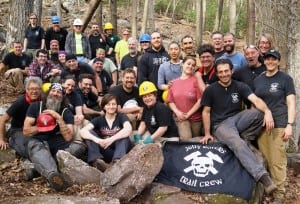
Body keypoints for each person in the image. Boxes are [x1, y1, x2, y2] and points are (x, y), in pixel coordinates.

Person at [200, 58, 277, 195]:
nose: (224, 74)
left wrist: (267, 111)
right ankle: (263, 178)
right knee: (238, 144)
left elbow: (255, 100)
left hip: (237, 119)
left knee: (258, 113)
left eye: (226, 71)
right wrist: (207, 133)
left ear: (232, 71)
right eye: (220, 72)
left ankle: (246, 136)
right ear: (217, 74)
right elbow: (206, 112)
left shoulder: (240, 86)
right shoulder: (210, 90)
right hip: (221, 125)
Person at [254, 50, 296, 203]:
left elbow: (291, 103)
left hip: (279, 125)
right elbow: (255, 103)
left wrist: (290, 124)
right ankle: (269, 189)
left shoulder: (285, 79)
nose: (270, 61)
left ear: (278, 61)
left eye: (273, 59)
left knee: (277, 160)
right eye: (268, 59)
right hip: (261, 127)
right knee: (265, 159)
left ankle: (279, 194)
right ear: (264, 61)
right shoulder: (258, 80)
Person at [23, 83, 74, 191]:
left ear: (62, 97)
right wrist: (43, 126)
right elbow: (26, 131)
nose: (55, 94)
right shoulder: (36, 106)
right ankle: (53, 175)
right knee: (35, 147)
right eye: (53, 91)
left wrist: (58, 118)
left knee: (78, 147)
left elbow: (69, 137)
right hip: (38, 140)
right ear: (48, 93)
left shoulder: (66, 111)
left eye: (59, 92)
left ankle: (36, 169)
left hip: (56, 140)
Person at [80, 93, 132, 172]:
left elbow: (128, 129)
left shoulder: (121, 117)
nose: (111, 107)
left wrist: (111, 139)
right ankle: (97, 162)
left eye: (113, 104)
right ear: (104, 106)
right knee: (89, 133)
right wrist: (98, 140)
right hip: (105, 150)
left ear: (117, 105)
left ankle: (117, 162)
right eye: (108, 104)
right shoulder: (99, 119)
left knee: (124, 135)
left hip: (120, 151)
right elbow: (83, 131)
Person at [0, 77, 42, 156]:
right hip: (17, 130)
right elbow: (3, 119)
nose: (34, 91)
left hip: (33, 129)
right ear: (26, 90)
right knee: (28, 144)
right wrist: (1, 139)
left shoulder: (41, 101)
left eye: (37, 89)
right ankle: (12, 141)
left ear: (40, 90)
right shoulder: (20, 102)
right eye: (31, 89)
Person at [167, 56, 202, 141]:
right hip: (180, 118)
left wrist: (188, 114)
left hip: (195, 119)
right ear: (182, 64)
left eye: (193, 65)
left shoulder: (196, 81)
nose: (190, 66)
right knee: (187, 140)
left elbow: (200, 100)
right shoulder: (174, 83)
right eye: (188, 64)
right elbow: (170, 101)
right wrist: (177, 112)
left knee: (196, 141)